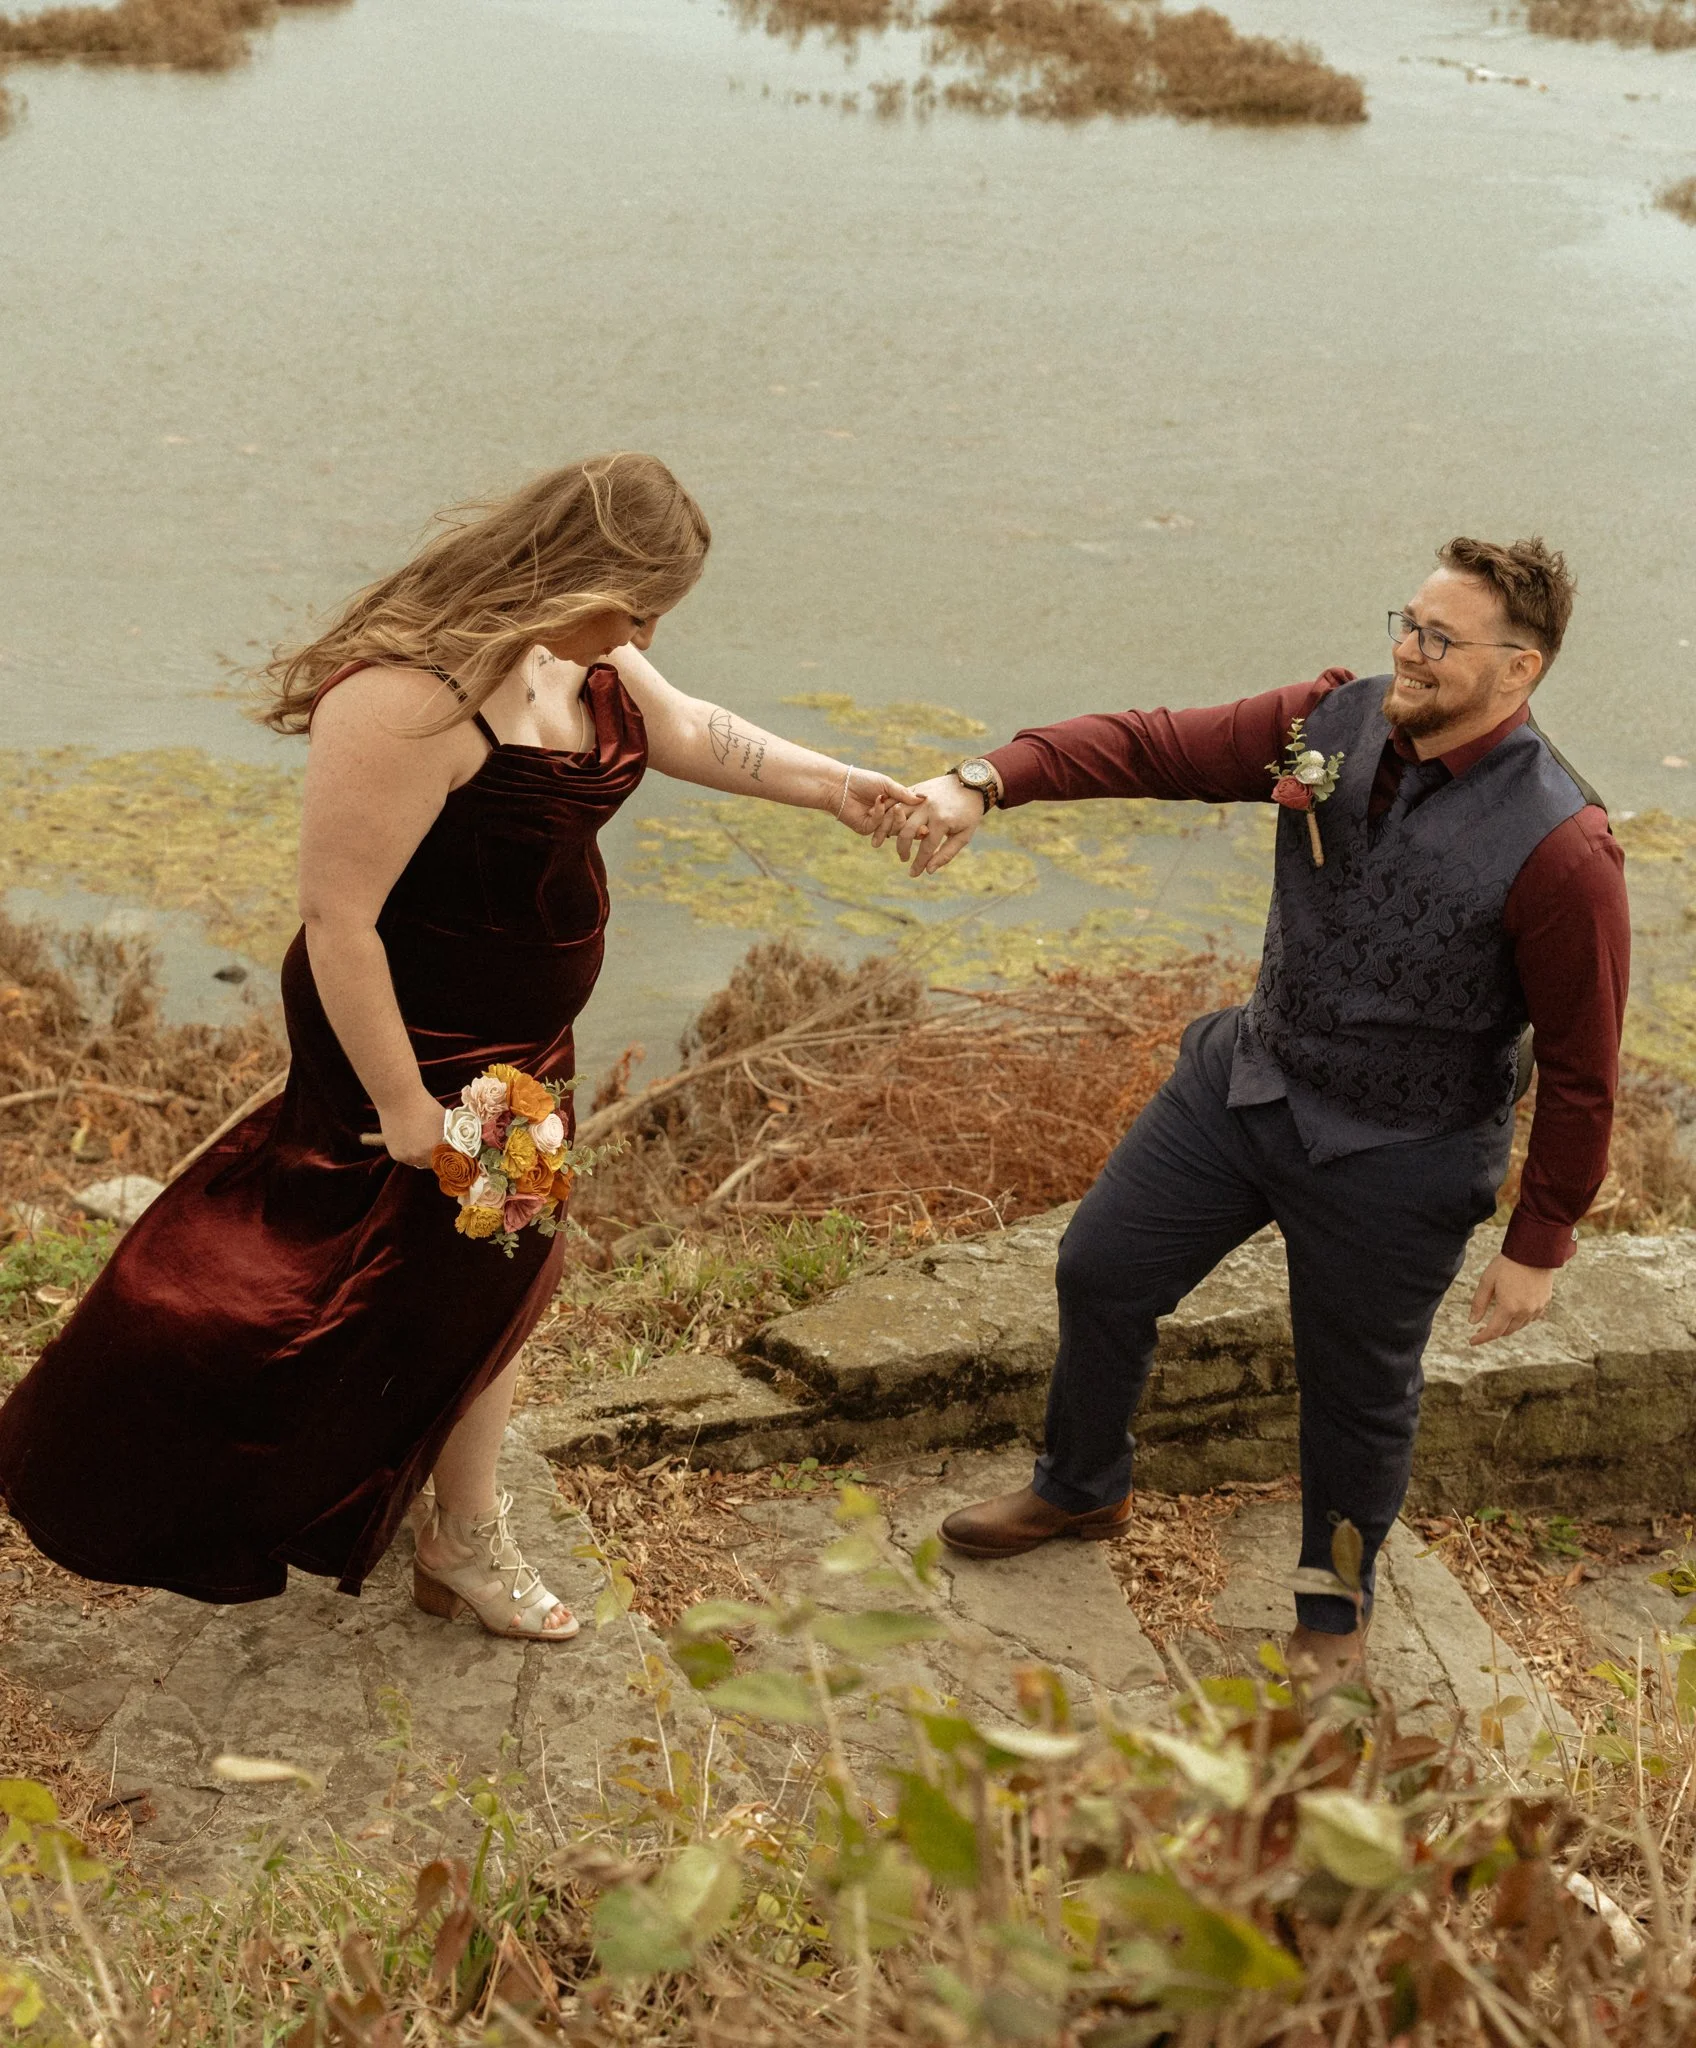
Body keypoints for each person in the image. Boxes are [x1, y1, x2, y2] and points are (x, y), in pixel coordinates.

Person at [0, 452, 918, 1642]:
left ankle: (450, 1525)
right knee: (327, 1267)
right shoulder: (405, 698)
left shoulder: (575, 655)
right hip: (421, 1045)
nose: (642, 636)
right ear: (576, 575)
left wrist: (840, 786)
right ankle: (133, 1453)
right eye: (635, 608)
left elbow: (689, 726)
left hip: (525, 1049)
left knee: (489, 1269)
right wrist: (401, 1104)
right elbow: (337, 920)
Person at [880, 537, 1628, 1689]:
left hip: (1404, 1153)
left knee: (1355, 1397)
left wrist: (1540, 1237)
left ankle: (1332, 1612)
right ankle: (1081, 1485)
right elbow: (1149, 743)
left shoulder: (1564, 848)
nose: (1407, 650)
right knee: (1099, 1266)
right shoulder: (1327, 722)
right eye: (1406, 622)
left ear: (1518, 668)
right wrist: (983, 779)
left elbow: (1583, 1067)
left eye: (1439, 639)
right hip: (1246, 1083)